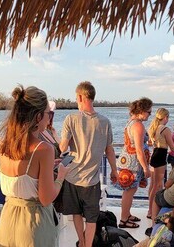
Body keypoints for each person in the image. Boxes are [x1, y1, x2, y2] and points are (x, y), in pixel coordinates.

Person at [0, 85, 69, 247]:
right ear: (38, 117)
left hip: (7, 223)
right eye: (48, 114)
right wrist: (61, 177)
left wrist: (47, 170)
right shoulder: (43, 149)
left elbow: (24, 179)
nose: (49, 119)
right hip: (32, 227)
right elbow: (46, 198)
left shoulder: (3, 146)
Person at [59, 81, 119, 247]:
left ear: (80, 97)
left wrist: (57, 136)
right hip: (92, 181)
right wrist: (114, 171)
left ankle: (82, 242)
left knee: (76, 213)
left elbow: (63, 147)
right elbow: (109, 150)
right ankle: (88, 245)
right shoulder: (105, 122)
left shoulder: (71, 119)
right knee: (91, 218)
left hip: (72, 178)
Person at [115, 97, 152, 229]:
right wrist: (146, 168)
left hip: (129, 162)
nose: (149, 115)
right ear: (141, 111)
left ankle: (127, 214)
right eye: (149, 112)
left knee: (131, 190)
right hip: (132, 165)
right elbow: (139, 150)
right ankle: (124, 219)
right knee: (129, 191)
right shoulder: (138, 125)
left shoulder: (132, 122)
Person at [146, 108, 174, 224]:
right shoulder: (165, 129)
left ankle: (149, 209)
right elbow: (172, 147)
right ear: (165, 117)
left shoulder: (154, 128)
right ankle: (151, 211)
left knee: (153, 185)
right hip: (161, 156)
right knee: (158, 185)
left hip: (155, 155)